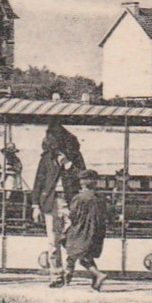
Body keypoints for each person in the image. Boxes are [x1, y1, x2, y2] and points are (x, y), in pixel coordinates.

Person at [32, 124, 85, 288]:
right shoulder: (46, 158)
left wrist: (68, 165)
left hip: (70, 202)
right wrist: (35, 205)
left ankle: (69, 270)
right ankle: (56, 275)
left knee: (69, 237)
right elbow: (39, 182)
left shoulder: (75, 157)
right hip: (50, 202)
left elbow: (82, 177)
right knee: (52, 241)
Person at [63, 169, 112, 291]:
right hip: (96, 231)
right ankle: (95, 284)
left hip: (81, 230)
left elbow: (73, 216)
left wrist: (64, 212)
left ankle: (98, 275)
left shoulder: (79, 198)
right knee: (86, 255)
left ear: (83, 182)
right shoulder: (100, 198)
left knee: (74, 251)